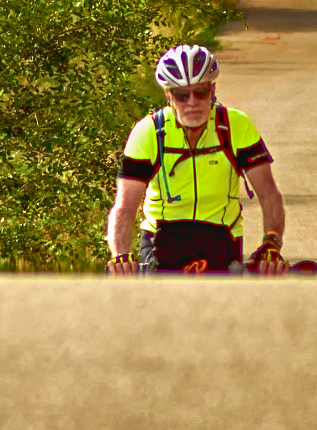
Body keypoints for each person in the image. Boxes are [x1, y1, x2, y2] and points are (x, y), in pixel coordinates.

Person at [106, 45, 291, 275]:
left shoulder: (235, 126)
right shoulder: (149, 133)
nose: (192, 102)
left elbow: (269, 194)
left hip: (221, 239)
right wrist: (121, 255)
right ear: (168, 96)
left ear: (213, 89)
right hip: (161, 242)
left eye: (200, 92)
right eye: (182, 95)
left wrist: (271, 244)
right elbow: (125, 206)